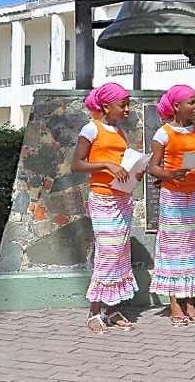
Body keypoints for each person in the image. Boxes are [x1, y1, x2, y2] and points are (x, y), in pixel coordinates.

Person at [71, 82, 144, 333]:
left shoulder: (120, 133)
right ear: (105, 106)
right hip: (102, 200)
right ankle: (93, 313)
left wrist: (135, 173)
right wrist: (105, 165)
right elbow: (77, 165)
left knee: (121, 254)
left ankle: (112, 310)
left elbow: (121, 165)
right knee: (108, 254)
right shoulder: (91, 129)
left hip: (123, 199)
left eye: (127, 105)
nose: (126, 110)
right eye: (122, 105)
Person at [148, 84, 195, 326]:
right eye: (191, 102)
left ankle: (191, 302)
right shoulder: (162, 134)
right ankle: (174, 302)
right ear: (176, 106)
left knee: (194, 250)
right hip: (173, 197)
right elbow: (153, 167)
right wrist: (170, 174)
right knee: (173, 248)